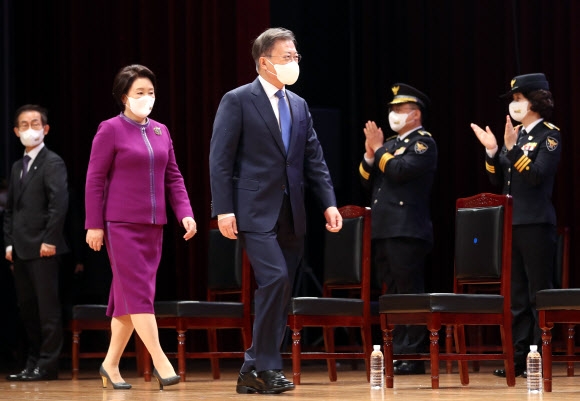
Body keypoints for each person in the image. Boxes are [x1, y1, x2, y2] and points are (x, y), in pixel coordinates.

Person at [209, 27, 343, 394]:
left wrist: (329, 203)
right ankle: (267, 366)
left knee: (281, 290)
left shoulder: (298, 105)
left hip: (292, 211)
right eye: (287, 57)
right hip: (253, 210)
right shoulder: (238, 100)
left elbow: (314, 159)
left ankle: (252, 368)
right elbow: (220, 159)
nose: (294, 62)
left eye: (296, 57)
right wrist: (223, 209)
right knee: (275, 279)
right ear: (265, 62)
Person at [85, 64, 197, 390]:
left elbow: (173, 177)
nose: (147, 97)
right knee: (140, 295)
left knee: (127, 298)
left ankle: (109, 364)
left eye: (150, 92)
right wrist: (94, 225)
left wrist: (185, 212)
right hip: (121, 224)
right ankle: (162, 362)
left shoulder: (161, 131)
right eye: (139, 92)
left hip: (154, 225)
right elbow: (94, 180)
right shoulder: (110, 129)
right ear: (124, 97)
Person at [471, 73, 561, 378]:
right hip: (512, 224)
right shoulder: (517, 135)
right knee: (517, 297)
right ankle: (519, 359)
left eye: (518, 99)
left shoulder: (550, 136)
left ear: (535, 100)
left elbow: (536, 176)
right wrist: (493, 150)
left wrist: (512, 149)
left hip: (536, 223)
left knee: (538, 294)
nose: (514, 104)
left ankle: (538, 358)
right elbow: (497, 179)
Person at [359, 84, 437, 375]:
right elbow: (366, 179)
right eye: (392, 109)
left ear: (415, 114)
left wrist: (379, 149)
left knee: (408, 292)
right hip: (384, 227)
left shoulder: (423, 143)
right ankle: (396, 350)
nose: (393, 114)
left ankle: (412, 354)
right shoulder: (390, 145)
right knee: (391, 293)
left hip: (407, 229)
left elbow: (399, 171)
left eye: (399, 109)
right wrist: (371, 153)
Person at [4, 105, 69, 381]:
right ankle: (31, 363)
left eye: (35, 123)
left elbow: (58, 205)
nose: (29, 129)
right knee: (28, 310)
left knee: (47, 311)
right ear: (16, 131)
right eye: (24, 124)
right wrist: (9, 244)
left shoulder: (52, 162)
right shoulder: (17, 166)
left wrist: (50, 240)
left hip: (44, 248)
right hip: (20, 250)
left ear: (45, 128)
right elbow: (10, 211)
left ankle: (48, 365)